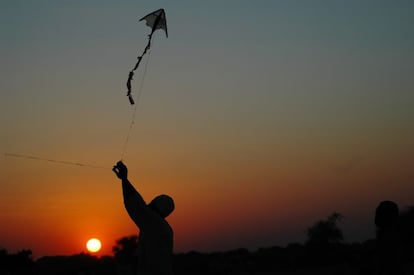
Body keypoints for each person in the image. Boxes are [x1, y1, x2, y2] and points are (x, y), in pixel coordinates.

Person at [113, 161, 175, 275]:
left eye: (150, 204)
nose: (147, 205)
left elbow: (138, 206)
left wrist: (125, 179)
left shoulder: (154, 223)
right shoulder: (163, 228)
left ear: (155, 208)